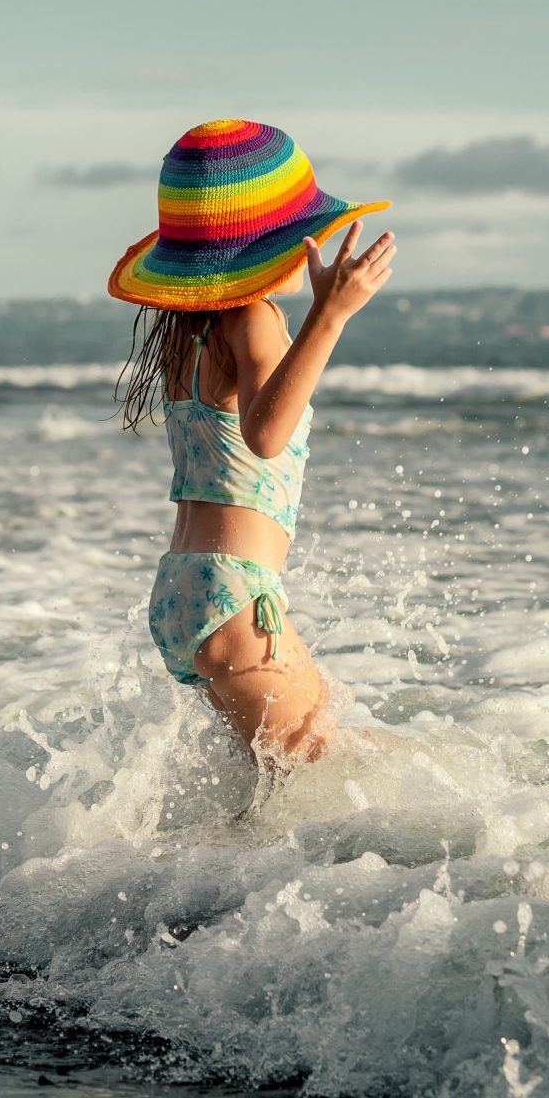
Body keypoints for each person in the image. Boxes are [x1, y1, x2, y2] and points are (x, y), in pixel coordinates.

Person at [108, 120, 394, 764]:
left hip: (187, 588)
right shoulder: (255, 318)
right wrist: (331, 316)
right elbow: (266, 435)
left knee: (287, 780)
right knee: (319, 774)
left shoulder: (189, 329)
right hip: (236, 592)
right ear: (278, 243)